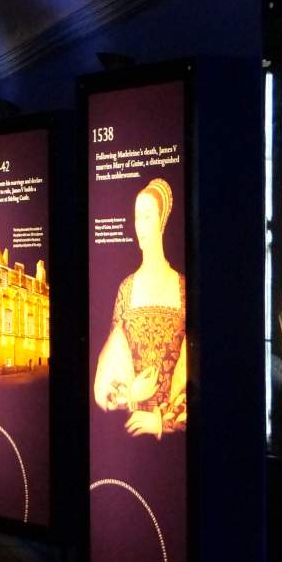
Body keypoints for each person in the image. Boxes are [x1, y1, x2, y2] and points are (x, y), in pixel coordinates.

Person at [93, 178, 187, 437]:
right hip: (129, 431)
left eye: (148, 216)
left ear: (162, 221)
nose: (141, 225)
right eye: (137, 217)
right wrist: (129, 393)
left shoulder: (182, 288)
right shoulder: (126, 289)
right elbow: (111, 365)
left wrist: (163, 423)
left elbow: (194, 371)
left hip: (174, 437)